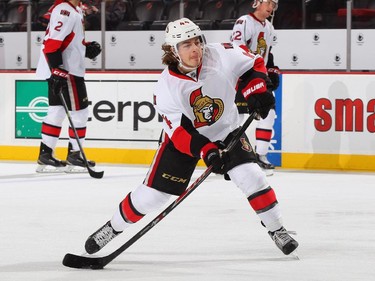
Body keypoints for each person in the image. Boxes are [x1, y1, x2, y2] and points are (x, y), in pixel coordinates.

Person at [84, 18, 298, 256]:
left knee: (252, 176)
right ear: (173, 51)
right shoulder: (166, 86)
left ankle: (277, 229)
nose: (195, 48)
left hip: (227, 130)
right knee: (151, 198)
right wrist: (206, 151)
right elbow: (178, 132)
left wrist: (257, 88)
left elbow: (254, 63)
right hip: (186, 141)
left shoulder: (221, 54)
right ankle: (113, 227)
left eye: (197, 41)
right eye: (187, 45)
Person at [36, 0, 102, 172]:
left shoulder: (73, 9)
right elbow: (52, 43)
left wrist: (85, 48)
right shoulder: (65, 10)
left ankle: (45, 155)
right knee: (80, 112)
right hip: (68, 70)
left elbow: (67, 40)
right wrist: (57, 68)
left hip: (63, 67)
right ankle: (74, 155)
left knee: (56, 111)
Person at [231, 0, 281, 176]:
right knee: (237, 118)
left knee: (269, 114)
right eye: (268, 3)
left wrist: (272, 69)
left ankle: (261, 156)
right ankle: (231, 155)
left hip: (259, 75)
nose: (271, 8)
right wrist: (256, 69)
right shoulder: (244, 22)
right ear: (257, 2)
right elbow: (238, 49)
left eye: (274, 5)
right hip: (243, 76)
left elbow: (268, 52)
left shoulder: (269, 26)